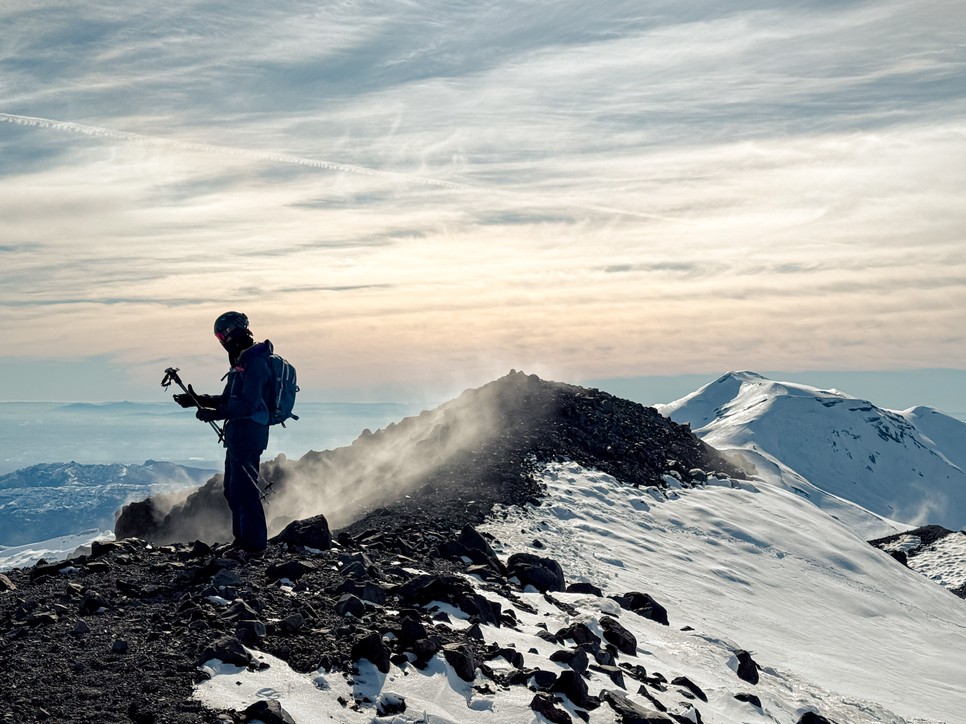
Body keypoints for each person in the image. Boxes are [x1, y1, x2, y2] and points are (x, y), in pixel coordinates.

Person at [173, 311, 274, 561]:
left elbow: (248, 405)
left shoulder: (256, 363)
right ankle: (242, 541)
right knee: (233, 489)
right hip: (238, 434)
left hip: (250, 434)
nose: (221, 341)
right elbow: (228, 399)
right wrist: (196, 401)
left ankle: (254, 547)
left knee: (245, 490)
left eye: (222, 335)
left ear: (233, 332)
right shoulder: (242, 361)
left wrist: (214, 414)